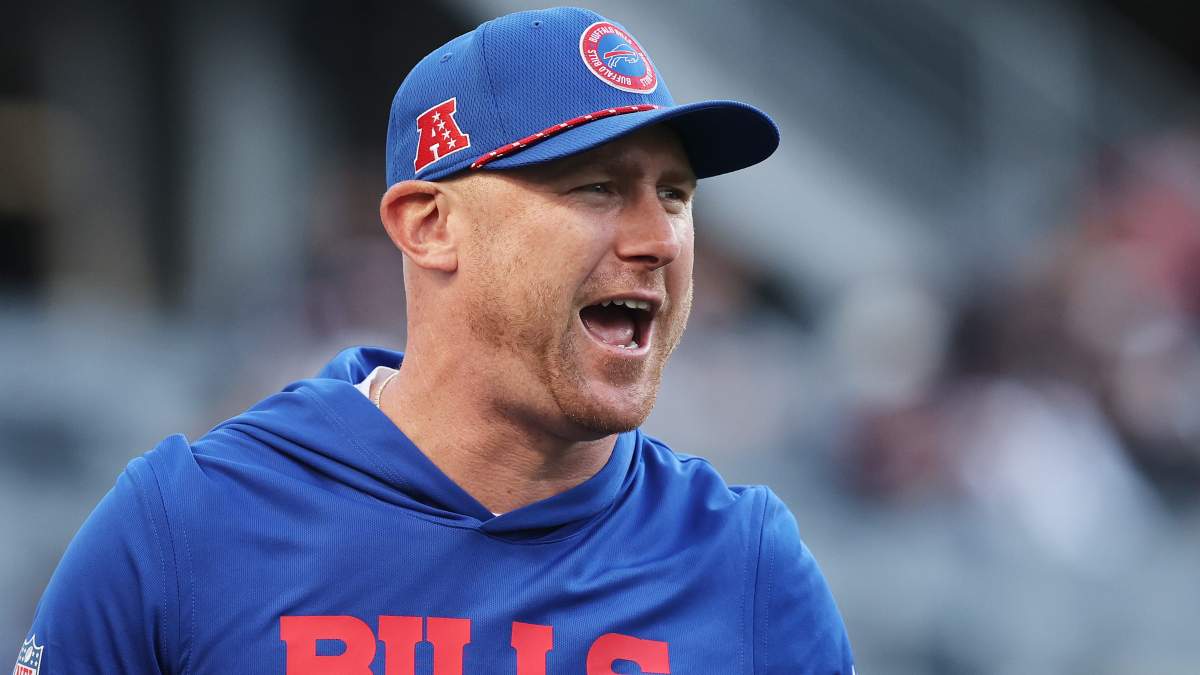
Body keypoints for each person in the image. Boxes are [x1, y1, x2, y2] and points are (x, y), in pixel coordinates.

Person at [15, 7, 853, 674]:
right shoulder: (187, 525)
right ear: (429, 226)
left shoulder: (747, 569)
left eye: (674, 195)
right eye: (597, 187)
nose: (659, 239)